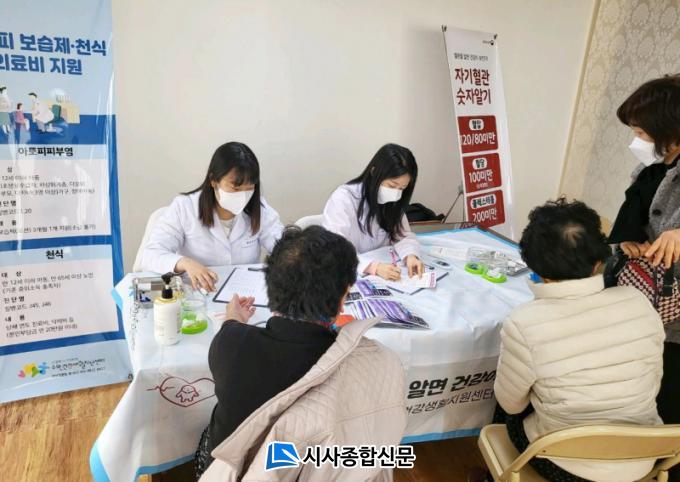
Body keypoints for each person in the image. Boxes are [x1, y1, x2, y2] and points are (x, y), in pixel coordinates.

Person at [195, 226, 406, 481]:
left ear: (271, 289)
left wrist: (233, 320)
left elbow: (233, 332)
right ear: (343, 298)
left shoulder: (230, 343)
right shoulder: (378, 361)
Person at [494, 199, 664, 482]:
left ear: (534, 265)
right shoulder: (638, 301)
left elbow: (511, 404)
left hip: (568, 464)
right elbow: (653, 379)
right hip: (642, 457)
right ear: (599, 261)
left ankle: (498, 473)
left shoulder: (523, 322)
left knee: (506, 403)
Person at [140, 142, 284, 291]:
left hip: (247, 294)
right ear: (213, 181)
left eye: (249, 188)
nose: (242, 196)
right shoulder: (184, 207)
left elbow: (283, 247)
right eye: (235, 188)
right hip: (197, 294)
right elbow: (151, 255)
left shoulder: (260, 208)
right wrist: (185, 263)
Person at [322, 143, 423, 281]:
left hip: (388, 268)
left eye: (402, 188)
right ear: (374, 172)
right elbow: (336, 249)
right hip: (352, 272)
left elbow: (403, 235)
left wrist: (410, 255)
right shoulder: (344, 198)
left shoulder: (395, 202)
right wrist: (372, 267)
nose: (396, 193)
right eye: (392, 185)